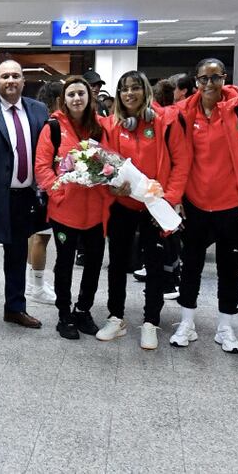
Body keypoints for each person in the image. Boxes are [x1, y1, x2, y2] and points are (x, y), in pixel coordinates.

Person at [169, 58, 238, 353]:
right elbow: (177, 160)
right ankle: (187, 322)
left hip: (231, 206)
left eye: (215, 78)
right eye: (203, 79)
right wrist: (175, 199)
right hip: (195, 204)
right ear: (196, 81)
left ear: (224, 79)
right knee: (191, 266)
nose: (209, 84)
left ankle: (226, 327)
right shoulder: (184, 114)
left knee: (228, 269)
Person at [99, 72, 190, 350]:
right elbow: (106, 165)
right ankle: (116, 317)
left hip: (154, 206)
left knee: (154, 264)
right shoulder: (112, 125)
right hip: (123, 205)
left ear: (145, 91)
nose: (129, 93)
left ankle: (151, 320)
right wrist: (112, 188)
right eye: (124, 89)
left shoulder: (166, 121)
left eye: (135, 87)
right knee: (117, 263)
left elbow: (181, 162)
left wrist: (168, 199)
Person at [0, 60, 48, 332]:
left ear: (23, 80)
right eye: (5, 76)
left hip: (24, 198)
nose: (11, 80)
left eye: (16, 75)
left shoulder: (39, 110)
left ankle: (15, 308)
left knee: (17, 256)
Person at [34, 76, 110, 340]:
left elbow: (112, 162)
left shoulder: (100, 127)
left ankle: (83, 310)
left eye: (81, 93)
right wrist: (59, 192)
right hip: (65, 210)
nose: (76, 98)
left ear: (89, 97)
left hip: (96, 211)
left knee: (93, 264)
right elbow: (42, 167)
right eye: (71, 95)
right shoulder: (53, 128)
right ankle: (64, 314)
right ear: (63, 100)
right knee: (65, 264)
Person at [26, 81, 64, 304]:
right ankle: (37, 286)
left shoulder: (39, 118)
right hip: (44, 184)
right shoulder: (52, 123)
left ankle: (34, 282)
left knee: (35, 236)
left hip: (36, 184)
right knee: (41, 236)